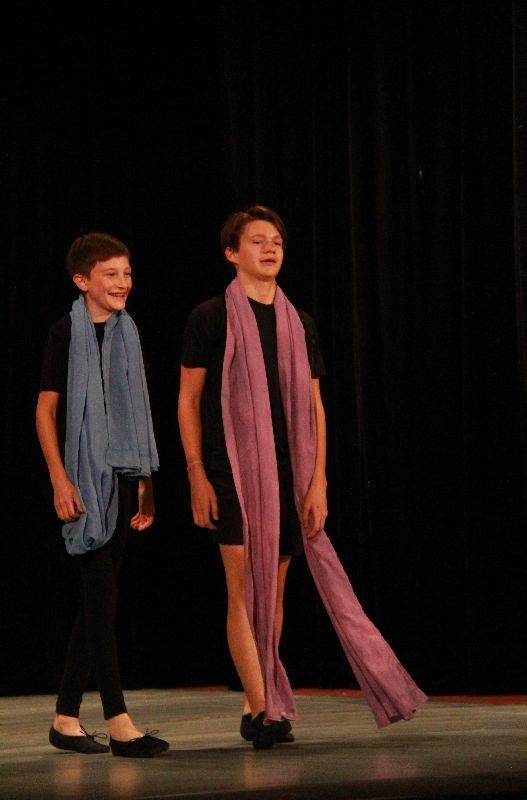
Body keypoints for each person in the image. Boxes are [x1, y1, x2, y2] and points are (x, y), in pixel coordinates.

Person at [178, 205, 427, 750]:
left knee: (274, 592)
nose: (270, 249)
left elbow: (315, 407)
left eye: (277, 242)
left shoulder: (300, 322)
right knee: (244, 589)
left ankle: (257, 701)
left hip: (289, 474)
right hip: (231, 469)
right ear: (232, 253)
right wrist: (196, 473)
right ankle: (263, 707)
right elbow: (188, 400)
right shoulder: (210, 316)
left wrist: (319, 481)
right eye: (257, 241)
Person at [36, 232, 168, 758]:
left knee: (98, 602)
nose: (123, 282)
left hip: (124, 478)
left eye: (127, 273)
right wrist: (59, 480)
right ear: (82, 280)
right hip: (82, 479)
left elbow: (138, 411)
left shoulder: (129, 333)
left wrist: (147, 484)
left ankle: (66, 718)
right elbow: (45, 411)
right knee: (100, 599)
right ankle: (118, 720)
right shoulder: (64, 333)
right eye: (111, 274)